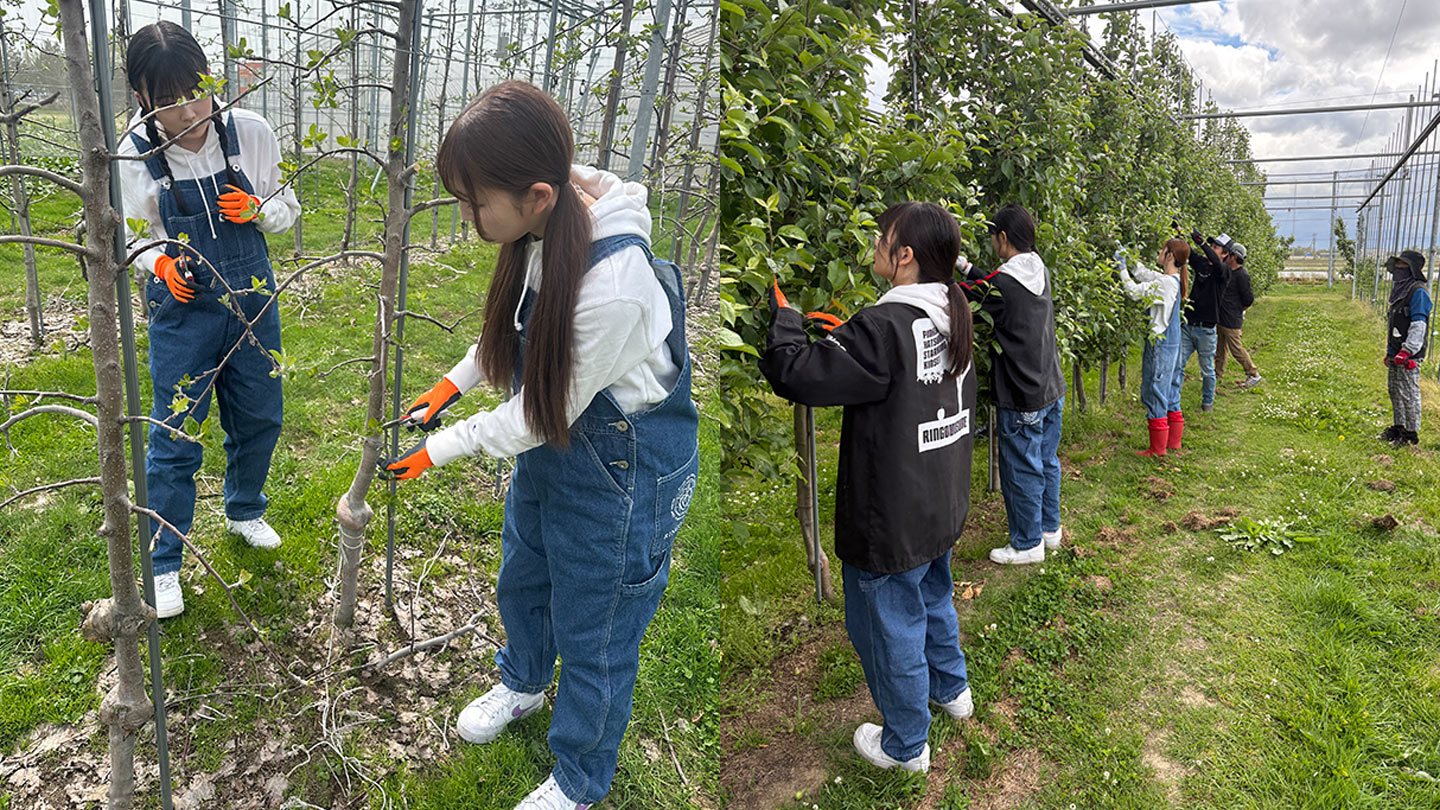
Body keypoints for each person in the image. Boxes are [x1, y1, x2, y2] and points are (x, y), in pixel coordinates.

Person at [381, 81, 699, 810]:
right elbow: (524, 328)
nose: (467, 218)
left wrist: (440, 449)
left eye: (474, 204)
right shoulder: (545, 224)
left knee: (598, 632)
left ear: (537, 197)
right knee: (525, 576)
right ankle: (523, 682)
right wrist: (453, 383)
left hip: (620, 475)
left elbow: (538, 412)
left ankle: (580, 778)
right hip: (556, 456)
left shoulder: (614, 286)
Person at [759, 202, 978, 774]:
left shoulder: (882, 328)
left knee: (888, 628)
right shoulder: (949, 311)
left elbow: (796, 373)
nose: (874, 245)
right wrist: (846, 339)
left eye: (882, 239)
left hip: (892, 517)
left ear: (904, 256)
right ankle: (953, 691)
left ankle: (905, 746)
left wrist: (785, 321)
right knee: (932, 597)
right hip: (938, 502)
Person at [119, 21, 301, 619]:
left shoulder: (250, 132)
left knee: (260, 414)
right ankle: (164, 559)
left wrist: (259, 209)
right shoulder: (133, 153)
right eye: (168, 101)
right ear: (142, 97)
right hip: (184, 310)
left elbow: (288, 208)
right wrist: (159, 263)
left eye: (196, 92)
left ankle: (245, 509)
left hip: (253, 300)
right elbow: (132, 238)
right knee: (173, 431)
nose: (188, 111)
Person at [961, 205, 1065, 565]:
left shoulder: (1003, 286)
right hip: (1050, 385)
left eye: (993, 237)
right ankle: (1049, 530)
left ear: (1002, 237)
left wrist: (937, 274)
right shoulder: (1038, 269)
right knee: (1046, 461)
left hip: (1023, 393)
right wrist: (964, 266)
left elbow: (974, 294)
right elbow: (992, 286)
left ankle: (1027, 544)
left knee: (1021, 468)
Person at [1116, 238, 1189, 456]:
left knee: (1155, 392)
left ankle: (1157, 450)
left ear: (1169, 255)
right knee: (1171, 392)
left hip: (1161, 345)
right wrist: (1130, 259)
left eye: (1162, 249)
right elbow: (1146, 274)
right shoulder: (1172, 280)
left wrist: (1121, 268)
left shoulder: (1165, 284)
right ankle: (1173, 443)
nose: (1158, 251)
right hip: (1173, 344)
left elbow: (1133, 291)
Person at [1380, 250, 1431, 447]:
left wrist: (1407, 350)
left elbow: (1419, 324)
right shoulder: (1399, 292)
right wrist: (1390, 351)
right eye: (1397, 265)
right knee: (1395, 390)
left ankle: (1411, 434)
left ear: (1412, 269)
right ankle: (1398, 427)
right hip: (1395, 351)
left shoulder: (1418, 292)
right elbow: (1394, 324)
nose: (1398, 269)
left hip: (1409, 355)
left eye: (1403, 266)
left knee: (1409, 393)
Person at [1178, 229, 1232, 413]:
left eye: (1216, 247)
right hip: (1188, 326)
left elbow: (1216, 262)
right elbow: (1186, 250)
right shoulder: (1201, 264)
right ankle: (1173, 400)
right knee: (1178, 364)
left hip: (1207, 330)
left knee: (1207, 369)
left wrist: (1201, 243)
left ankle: (1207, 403)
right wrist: (1179, 231)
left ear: (1225, 254)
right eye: (1211, 245)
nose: (1211, 248)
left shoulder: (1223, 271)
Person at [1216, 241, 1261, 388]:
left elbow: (1248, 299)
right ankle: (1217, 376)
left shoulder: (1242, 275)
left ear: (1234, 257)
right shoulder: (1228, 271)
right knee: (1220, 349)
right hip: (1222, 318)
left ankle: (1253, 373)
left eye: (1228, 254)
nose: (1225, 256)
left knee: (1236, 349)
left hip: (1231, 319)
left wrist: (1237, 309)